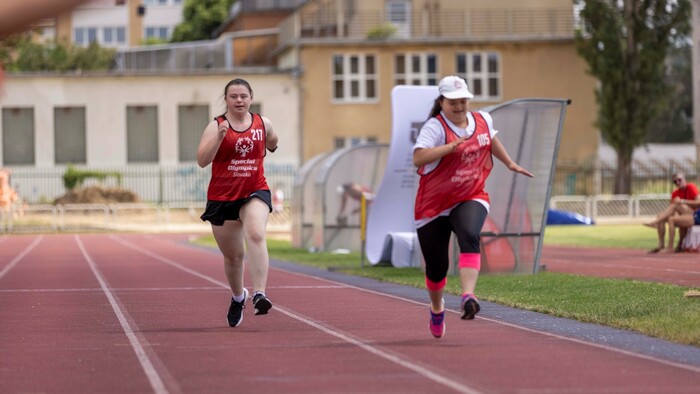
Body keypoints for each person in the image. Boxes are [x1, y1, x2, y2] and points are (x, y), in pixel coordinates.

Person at [412, 75, 533, 338]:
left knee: (469, 233)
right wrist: (447, 148)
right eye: (453, 102)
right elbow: (418, 158)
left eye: (463, 101)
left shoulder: (483, 119)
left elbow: (490, 139)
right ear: (441, 102)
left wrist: (509, 162)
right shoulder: (434, 128)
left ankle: (468, 296)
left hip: (470, 194)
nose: (459, 106)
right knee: (437, 268)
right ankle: (436, 307)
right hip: (433, 206)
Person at [197, 78, 279, 328]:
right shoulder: (216, 126)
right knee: (234, 257)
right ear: (226, 100)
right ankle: (237, 296)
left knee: (255, 233)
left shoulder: (262, 123)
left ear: (251, 98)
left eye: (243, 96)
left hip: (254, 190)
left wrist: (271, 144)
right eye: (234, 96)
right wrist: (219, 139)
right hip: (223, 197)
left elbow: (273, 141)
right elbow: (202, 160)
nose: (239, 100)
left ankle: (259, 294)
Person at [643, 172, 699, 253]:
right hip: (683, 214)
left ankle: (655, 224)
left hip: (693, 214)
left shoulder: (691, 187)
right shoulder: (675, 193)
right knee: (661, 216)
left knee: (676, 208)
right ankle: (661, 244)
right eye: (675, 182)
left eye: (679, 180)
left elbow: (698, 202)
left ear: (684, 179)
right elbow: (672, 210)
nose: (677, 183)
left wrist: (683, 201)